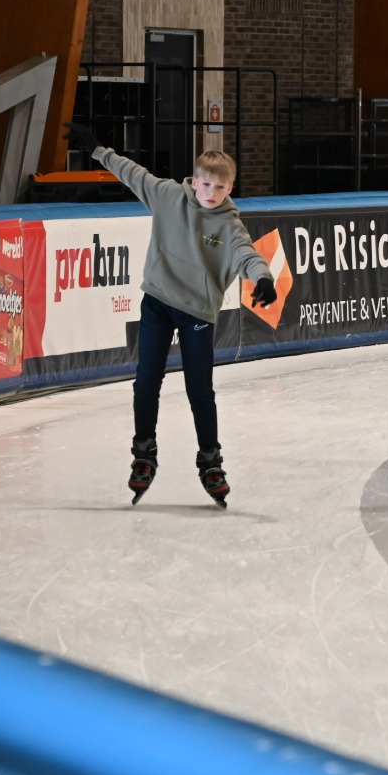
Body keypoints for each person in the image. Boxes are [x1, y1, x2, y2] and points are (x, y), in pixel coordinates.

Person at [62, 122, 277, 508]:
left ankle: (210, 462)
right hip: (158, 303)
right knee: (146, 381)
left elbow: (247, 254)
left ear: (230, 188)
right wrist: (96, 150)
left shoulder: (229, 225)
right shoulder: (167, 196)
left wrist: (262, 278)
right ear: (194, 181)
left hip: (196, 313)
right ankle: (144, 452)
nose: (211, 193)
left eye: (220, 187)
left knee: (200, 389)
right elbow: (132, 173)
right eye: (206, 185)